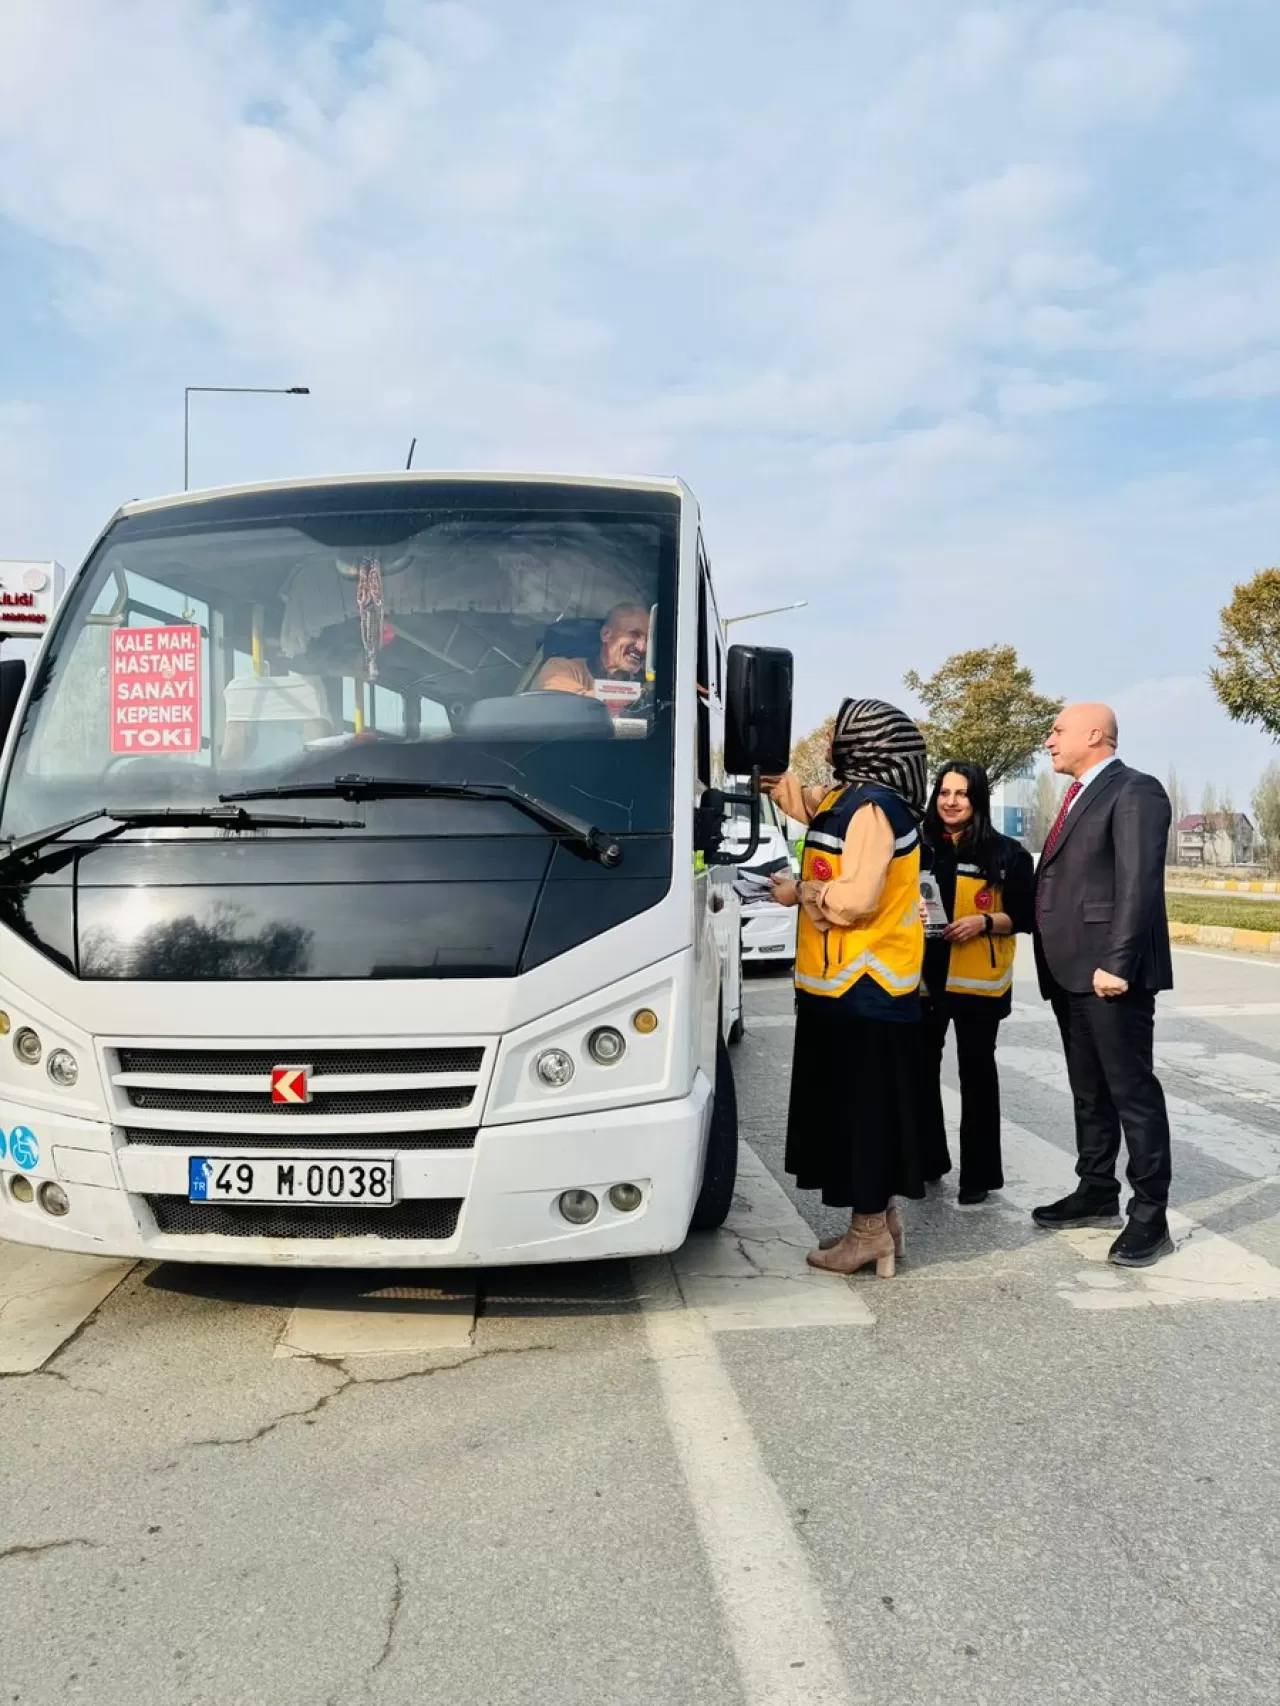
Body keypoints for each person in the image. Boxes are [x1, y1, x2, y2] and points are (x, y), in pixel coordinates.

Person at [766, 698, 929, 1279]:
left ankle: (868, 1236)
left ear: (865, 743)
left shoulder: (873, 810)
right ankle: (884, 1224)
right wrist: (771, 772)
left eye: (840, 732)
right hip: (848, 991)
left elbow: (857, 898)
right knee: (868, 1113)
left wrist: (802, 892)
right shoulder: (848, 799)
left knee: (862, 1117)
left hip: (864, 992)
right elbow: (805, 801)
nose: (832, 738)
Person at [1031, 702, 1175, 1267]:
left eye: (1057, 731)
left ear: (1094, 734)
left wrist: (1117, 962)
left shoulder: (1135, 790)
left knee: (1131, 1093)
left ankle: (1150, 1216)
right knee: (1089, 1091)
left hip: (1112, 975)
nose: (1049, 741)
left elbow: (1139, 883)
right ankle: (1096, 1190)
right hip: (1069, 971)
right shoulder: (1075, 796)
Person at [918, 763, 1035, 1204]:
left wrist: (983, 922)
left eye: (961, 794)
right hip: (923, 983)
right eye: (944, 792)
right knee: (919, 1073)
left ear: (978, 799)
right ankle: (927, 1160)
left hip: (979, 986)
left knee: (977, 1077)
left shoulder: (1007, 853)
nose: (950, 802)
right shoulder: (917, 847)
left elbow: (1025, 916)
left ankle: (979, 1176)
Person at [531, 604, 650, 704]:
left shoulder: (647, 684)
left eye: (648, 640)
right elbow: (565, 705)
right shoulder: (560, 668)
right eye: (634, 634)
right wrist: (637, 694)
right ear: (606, 634)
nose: (642, 647)